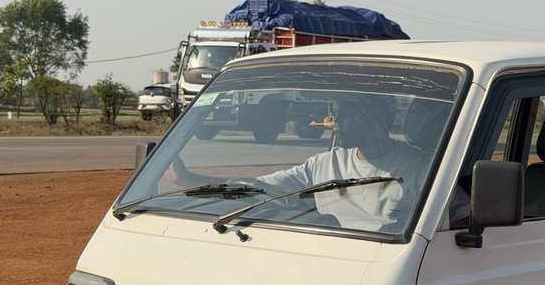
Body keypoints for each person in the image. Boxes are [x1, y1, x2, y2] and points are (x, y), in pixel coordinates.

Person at [170, 95, 429, 232]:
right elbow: (259, 186)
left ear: (376, 117)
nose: (335, 121)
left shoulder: (420, 167)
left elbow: (460, 218)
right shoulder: (323, 164)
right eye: (334, 112)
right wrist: (194, 181)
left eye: (346, 113)